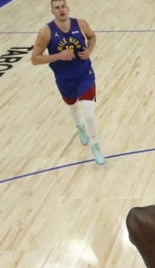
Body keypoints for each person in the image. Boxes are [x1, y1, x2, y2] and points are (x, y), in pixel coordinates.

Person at [31, 0, 105, 165]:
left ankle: (95, 144)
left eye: (63, 6)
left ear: (68, 8)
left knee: (89, 112)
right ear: (52, 11)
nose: (61, 10)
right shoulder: (46, 31)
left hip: (85, 74)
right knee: (72, 106)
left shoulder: (81, 24)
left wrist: (89, 50)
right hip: (64, 78)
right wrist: (58, 56)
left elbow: (92, 37)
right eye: (57, 8)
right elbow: (34, 59)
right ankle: (79, 125)